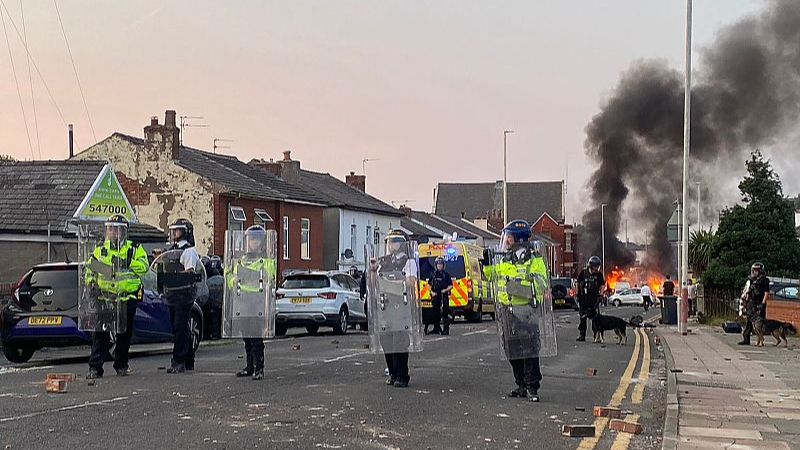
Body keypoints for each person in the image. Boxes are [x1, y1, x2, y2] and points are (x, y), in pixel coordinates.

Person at [483, 219, 550, 403]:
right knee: (511, 348)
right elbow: (492, 277)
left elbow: (541, 283)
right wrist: (487, 264)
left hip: (526, 310)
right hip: (507, 310)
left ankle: (531, 386)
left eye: (509, 237)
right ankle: (520, 383)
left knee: (529, 349)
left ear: (518, 238)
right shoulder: (505, 258)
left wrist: (518, 287)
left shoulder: (534, 259)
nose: (507, 241)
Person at [84, 215, 149, 379]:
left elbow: (144, 267)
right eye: (110, 228)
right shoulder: (100, 250)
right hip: (105, 299)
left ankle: (121, 365)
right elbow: (90, 269)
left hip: (127, 298)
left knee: (124, 336)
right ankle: (95, 368)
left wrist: (128, 262)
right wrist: (91, 284)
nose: (112, 232)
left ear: (123, 231)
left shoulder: (133, 248)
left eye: (115, 228)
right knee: (100, 335)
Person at [227, 225, 275, 381]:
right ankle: (250, 366)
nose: (252, 243)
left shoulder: (266, 261)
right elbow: (231, 281)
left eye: (256, 241)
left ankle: (259, 368)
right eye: (250, 240)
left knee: (255, 337)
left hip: (257, 302)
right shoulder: (240, 261)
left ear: (261, 242)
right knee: (246, 336)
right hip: (242, 301)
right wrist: (232, 281)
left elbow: (270, 279)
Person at [373, 229, 418, 388]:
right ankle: (392, 371)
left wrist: (391, 284)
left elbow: (411, 282)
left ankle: (402, 375)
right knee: (385, 340)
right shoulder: (383, 261)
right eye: (389, 242)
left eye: (395, 241)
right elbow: (375, 281)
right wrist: (372, 270)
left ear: (402, 243)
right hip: (385, 304)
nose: (392, 245)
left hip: (401, 303)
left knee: (400, 340)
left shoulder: (408, 261)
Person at [164, 218, 201, 374]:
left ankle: (178, 360)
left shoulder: (188, 251)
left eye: (177, 230)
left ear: (185, 232)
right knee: (179, 327)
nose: (174, 233)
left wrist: (177, 274)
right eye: (173, 230)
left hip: (184, 294)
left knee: (180, 326)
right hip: (173, 293)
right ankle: (188, 359)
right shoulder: (172, 250)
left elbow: (190, 271)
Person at [739, 262, 770, 346]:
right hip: (751, 303)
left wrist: (763, 304)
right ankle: (746, 338)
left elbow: (766, 293)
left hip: (759, 302)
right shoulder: (751, 280)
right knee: (749, 321)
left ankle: (760, 340)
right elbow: (749, 292)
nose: (754, 272)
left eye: (756, 270)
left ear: (760, 271)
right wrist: (746, 302)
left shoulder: (765, 280)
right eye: (754, 270)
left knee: (760, 322)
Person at [576, 256, 605, 342]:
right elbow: (577, 282)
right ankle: (582, 335)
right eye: (596, 266)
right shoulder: (583, 273)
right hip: (584, 298)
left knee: (595, 317)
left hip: (594, 298)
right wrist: (577, 294)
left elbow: (602, 284)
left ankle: (596, 336)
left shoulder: (599, 275)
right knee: (583, 317)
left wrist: (601, 294)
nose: (597, 268)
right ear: (591, 266)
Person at [425, 256, 453, 335]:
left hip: (443, 295)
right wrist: (431, 292)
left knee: (445, 312)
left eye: (441, 264)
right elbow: (428, 284)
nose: (439, 266)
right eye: (438, 264)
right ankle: (436, 328)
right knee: (435, 312)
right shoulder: (433, 274)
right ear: (436, 265)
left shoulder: (446, 275)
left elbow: (451, 285)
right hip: (435, 295)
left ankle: (446, 329)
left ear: (443, 265)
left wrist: (445, 290)